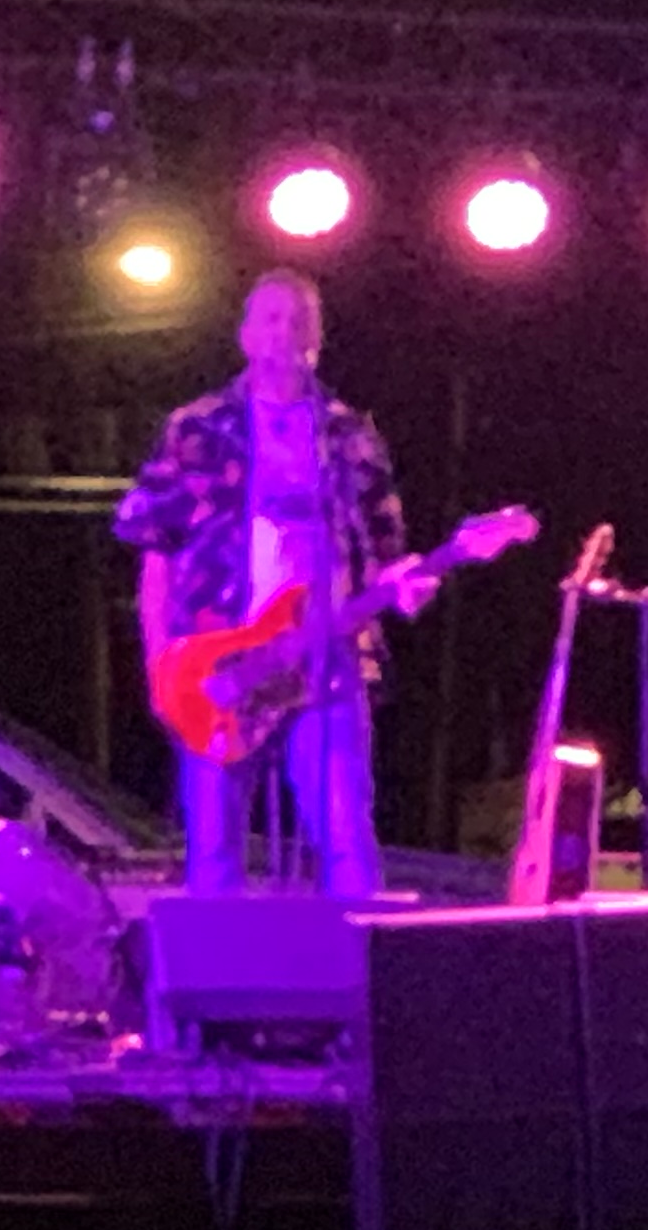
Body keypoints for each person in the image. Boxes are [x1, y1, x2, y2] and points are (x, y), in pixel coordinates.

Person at [115, 271, 428, 898]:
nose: (285, 332)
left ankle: (358, 959)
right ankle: (216, 964)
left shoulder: (351, 436)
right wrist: (160, 665)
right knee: (214, 849)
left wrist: (404, 586)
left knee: (346, 838)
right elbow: (155, 552)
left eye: (299, 320)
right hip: (222, 664)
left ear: (319, 336)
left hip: (324, 661)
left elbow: (384, 548)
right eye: (271, 319)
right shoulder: (196, 429)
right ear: (245, 335)